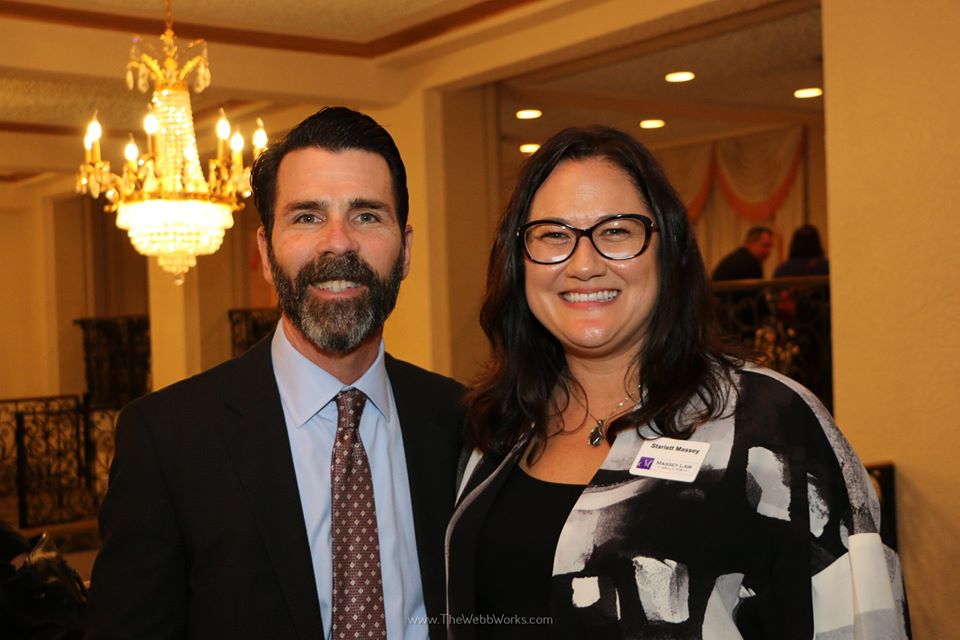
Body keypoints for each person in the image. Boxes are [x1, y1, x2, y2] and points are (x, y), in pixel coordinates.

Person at [445, 126, 908, 638]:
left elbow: (863, 620)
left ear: (668, 251)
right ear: (519, 261)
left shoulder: (771, 423)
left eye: (617, 231)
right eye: (553, 235)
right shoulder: (497, 427)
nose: (583, 263)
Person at [86, 107, 463, 640]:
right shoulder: (167, 440)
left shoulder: (462, 423)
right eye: (307, 217)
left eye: (367, 215)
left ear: (405, 251)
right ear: (265, 253)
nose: (338, 242)